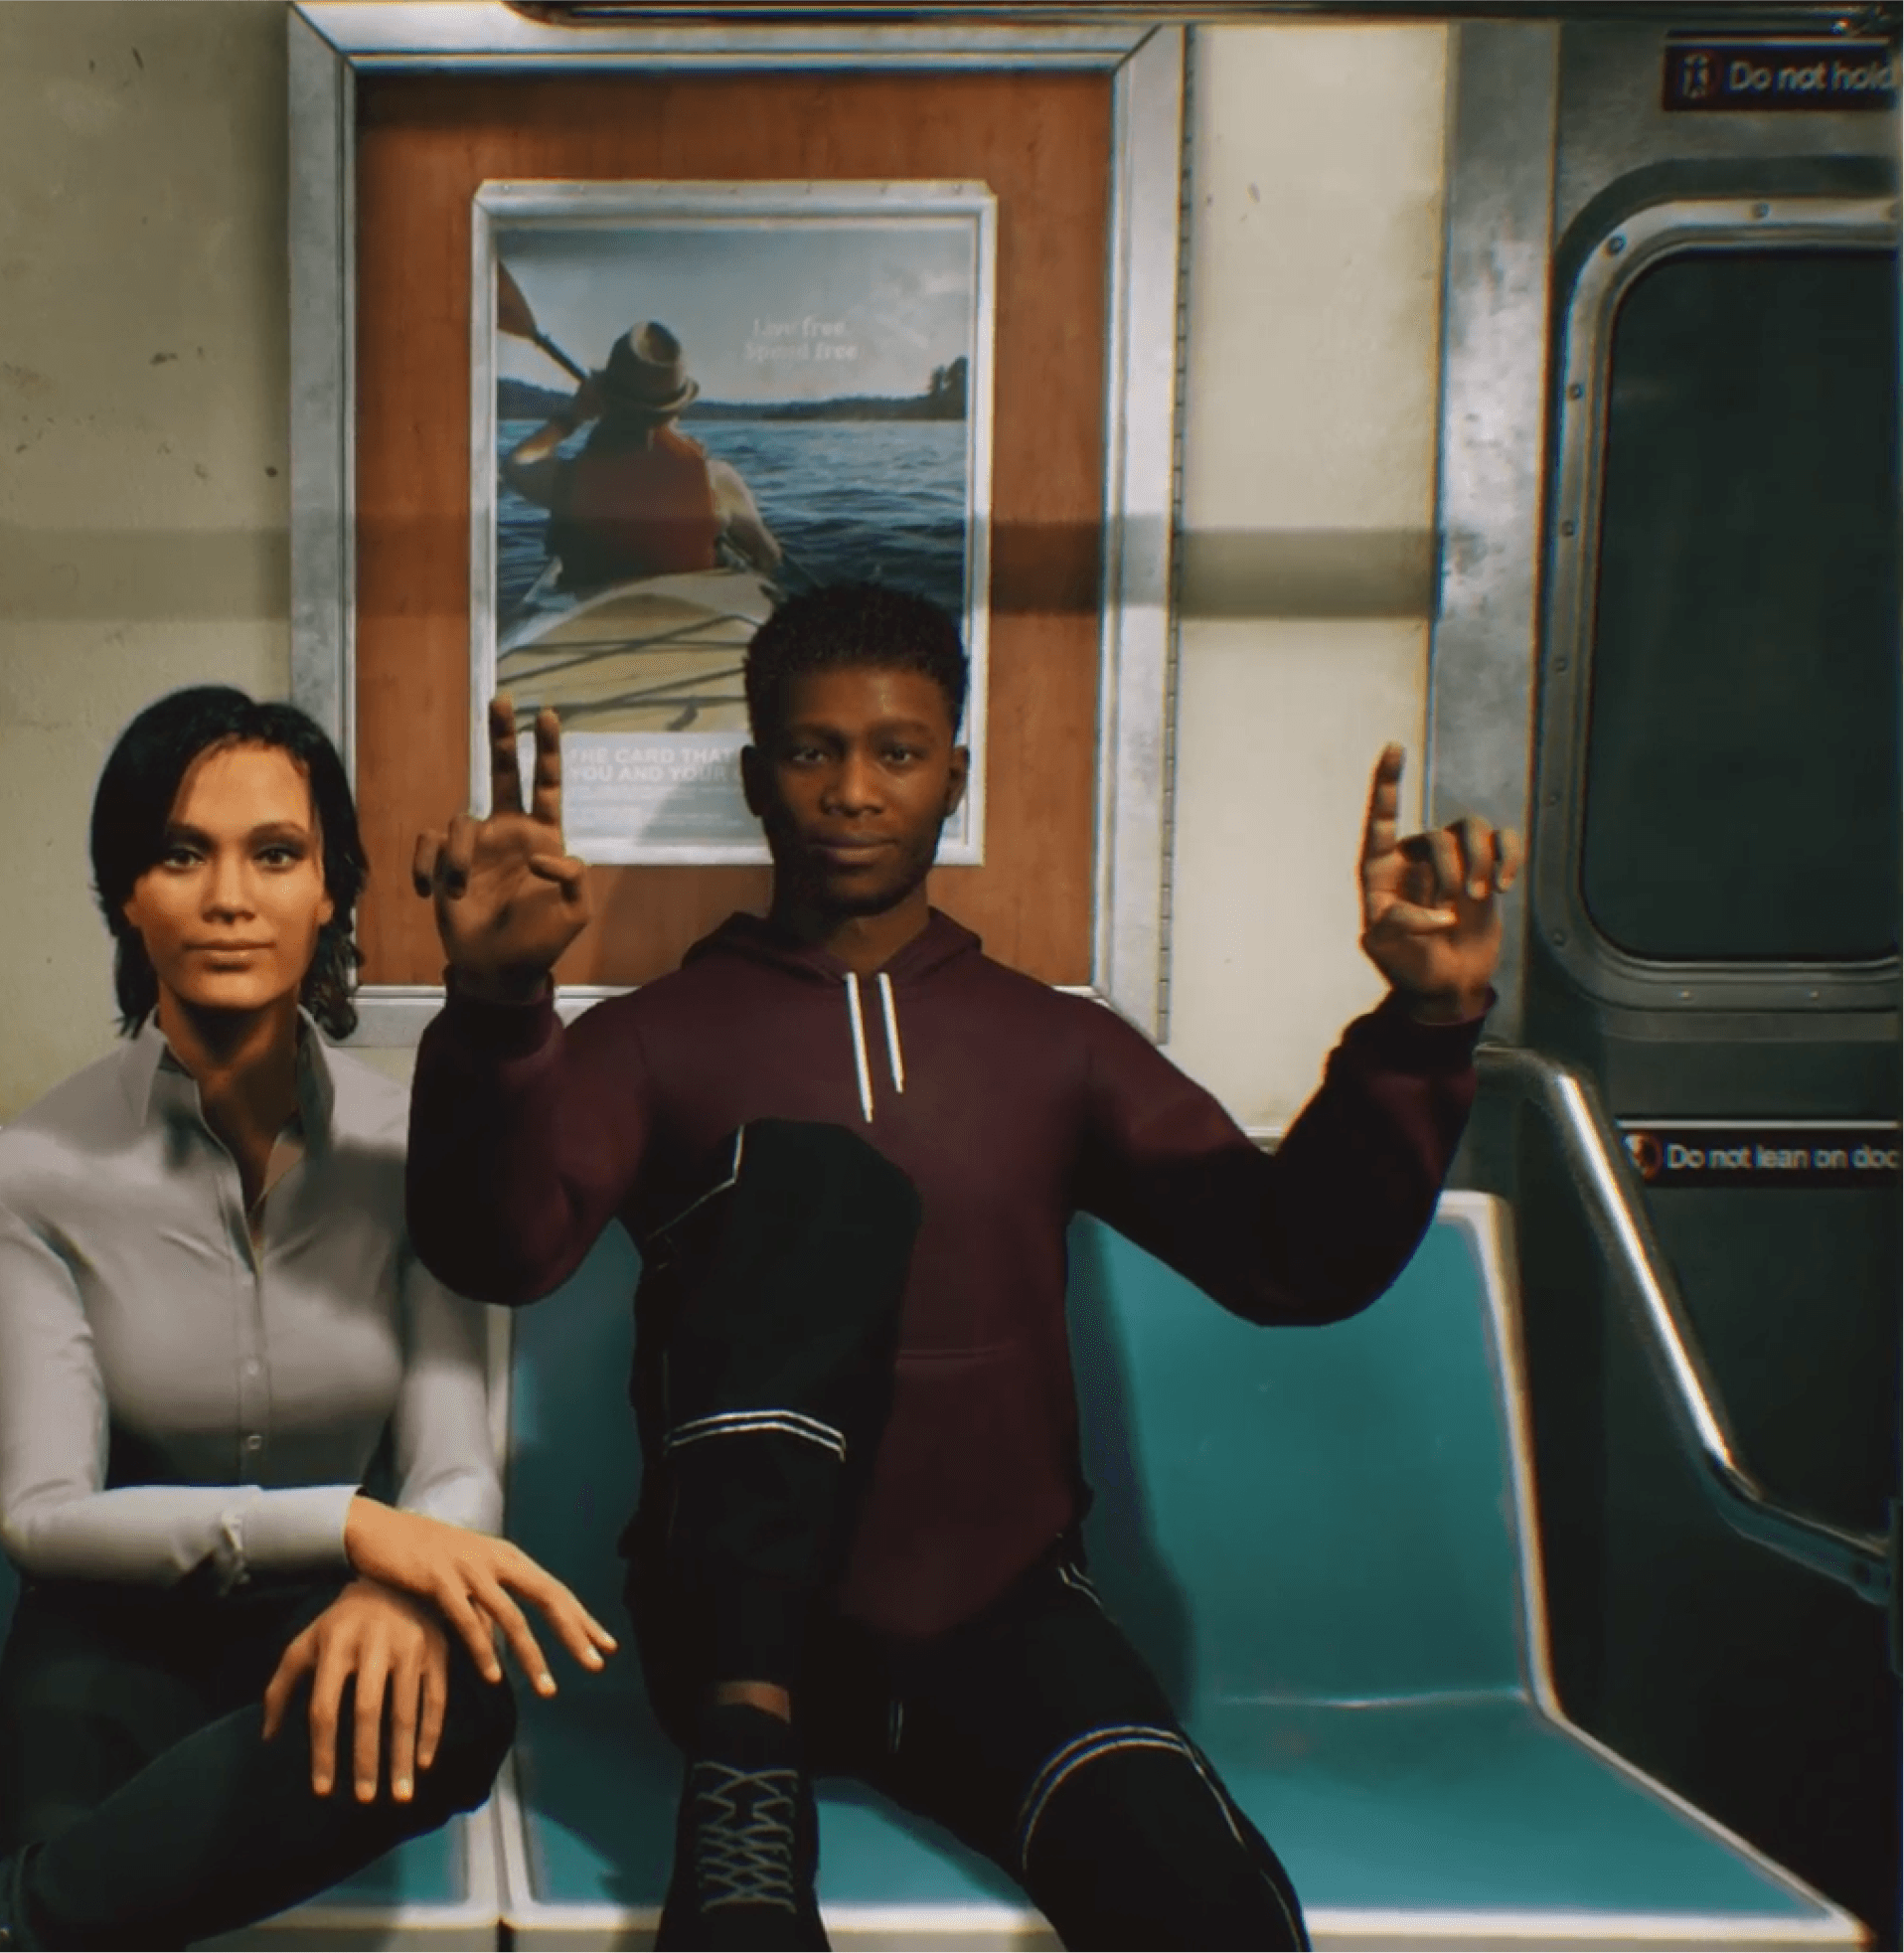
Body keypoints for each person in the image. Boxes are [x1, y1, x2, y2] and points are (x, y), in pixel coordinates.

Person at [403, 583, 1522, 1953]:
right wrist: (500, 1009)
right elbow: (498, 1250)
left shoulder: (1052, 1043)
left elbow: (1289, 1259)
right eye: (812, 753)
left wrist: (1425, 1020)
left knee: (1209, 1911)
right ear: (758, 778)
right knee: (804, 1179)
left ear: (955, 776)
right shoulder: (656, 1037)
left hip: (998, 1615)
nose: (854, 792)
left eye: (897, 752)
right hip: (739, 1638)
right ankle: (746, 1758)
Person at [0, 686, 616, 1953]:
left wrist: (399, 1592)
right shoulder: (19, 1185)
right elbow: (43, 1519)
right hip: (110, 1647)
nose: (227, 896)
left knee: (463, 1701)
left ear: (332, 895)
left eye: (275, 854)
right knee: (80, 1808)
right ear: (126, 899)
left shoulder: (419, 1152)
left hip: (340, 1623)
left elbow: (455, 1461)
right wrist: (358, 1529)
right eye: (178, 853)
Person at [502, 321, 784, 596]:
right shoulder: (716, 478)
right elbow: (768, 556)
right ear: (676, 408)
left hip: (597, 617)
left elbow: (515, 464)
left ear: (605, 400)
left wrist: (572, 416)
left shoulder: (569, 481)